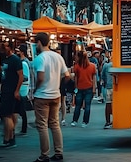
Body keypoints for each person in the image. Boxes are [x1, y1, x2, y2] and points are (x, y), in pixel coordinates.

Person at [32, 32, 70, 162]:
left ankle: (44, 155)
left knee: (42, 125)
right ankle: (59, 152)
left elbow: (40, 77)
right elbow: (68, 75)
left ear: (39, 43)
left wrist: (35, 89)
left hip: (42, 95)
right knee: (55, 124)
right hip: (56, 94)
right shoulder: (58, 57)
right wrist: (57, 85)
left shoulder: (40, 58)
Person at [0, 41, 23, 148]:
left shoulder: (15, 60)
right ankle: (9, 138)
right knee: (9, 115)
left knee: (6, 114)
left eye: (6, 46)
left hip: (11, 90)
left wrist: (17, 90)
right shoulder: (4, 59)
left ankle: (9, 139)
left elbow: (21, 76)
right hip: (5, 89)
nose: (3, 48)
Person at [71, 50, 97, 128]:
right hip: (89, 87)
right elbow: (94, 78)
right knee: (87, 105)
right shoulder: (92, 66)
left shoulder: (77, 66)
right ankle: (85, 122)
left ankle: (75, 120)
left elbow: (76, 78)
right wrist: (94, 88)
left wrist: (75, 87)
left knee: (78, 105)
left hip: (79, 87)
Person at [16, 44, 33, 135]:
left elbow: (27, 76)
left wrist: (30, 90)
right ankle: (23, 128)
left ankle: (24, 128)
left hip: (23, 88)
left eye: (18, 51)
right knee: (21, 109)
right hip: (24, 88)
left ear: (22, 52)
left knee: (22, 109)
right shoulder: (24, 62)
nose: (17, 53)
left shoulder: (24, 62)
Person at [101, 54, 113, 129]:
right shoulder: (120, 65)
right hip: (118, 87)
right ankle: (116, 120)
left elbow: (103, 76)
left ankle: (108, 121)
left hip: (108, 87)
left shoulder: (106, 65)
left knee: (108, 104)